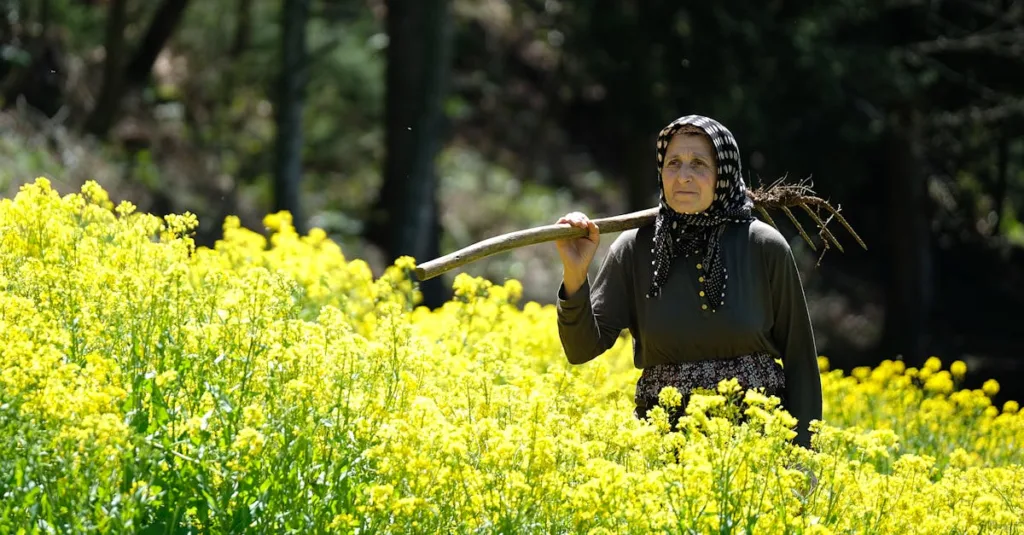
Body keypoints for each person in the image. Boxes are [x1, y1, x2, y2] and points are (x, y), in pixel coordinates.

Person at [554, 114, 822, 449]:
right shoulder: (635, 248)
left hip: (755, 445)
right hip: (666, 443)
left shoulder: (763, 246)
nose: (683, 176)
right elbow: (581, 349)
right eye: (673, 163)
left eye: (698, 164)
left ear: (722, 174)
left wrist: (804, 458)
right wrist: (576, 274)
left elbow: (800, 359)